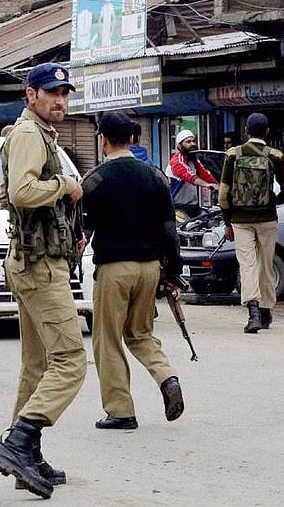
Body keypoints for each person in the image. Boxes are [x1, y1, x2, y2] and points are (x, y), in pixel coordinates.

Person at [0, 63, 86, 500]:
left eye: (64, 93)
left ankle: (27, 451)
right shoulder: (29, 135)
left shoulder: (37, 135)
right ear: (31, 96)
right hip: (40, 265)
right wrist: (65, 185)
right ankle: (20, 442)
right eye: (51, 93)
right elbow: (21, 191)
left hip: (32, 260)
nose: (59, 100)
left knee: (37, 365)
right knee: (70, 361)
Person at [81, 112, 185, 431]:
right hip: (150, 268)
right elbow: (170, 228)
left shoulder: (95, 180)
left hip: (114, 269)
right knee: (140, 334)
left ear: (104, 141)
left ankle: (121, 410)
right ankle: (167, 378)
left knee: (108, 339)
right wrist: (173, 270)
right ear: (133, 139)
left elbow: (83, 230)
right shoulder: (155, 176)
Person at [218, 113, 284, 334]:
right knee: (266, 264)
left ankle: (253, 314)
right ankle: (266, 311)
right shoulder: (275, 155)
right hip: (268, 219)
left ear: (246, 131)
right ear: (267, 131)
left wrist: (228, 221)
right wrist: (273, 202)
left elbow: (223, 195)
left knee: (248, 265)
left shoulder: (233, 154)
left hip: (240, 221)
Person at [166, 129, 217, 218]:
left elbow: (206, 175)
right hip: (177, 208)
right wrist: (207, 185)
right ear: (179, 145)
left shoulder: (194, 160)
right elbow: (189, 176)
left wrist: (218, 185)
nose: (193, 144)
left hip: (193, 206)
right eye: (188, 142)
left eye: (193, 141)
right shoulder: (177, 161)